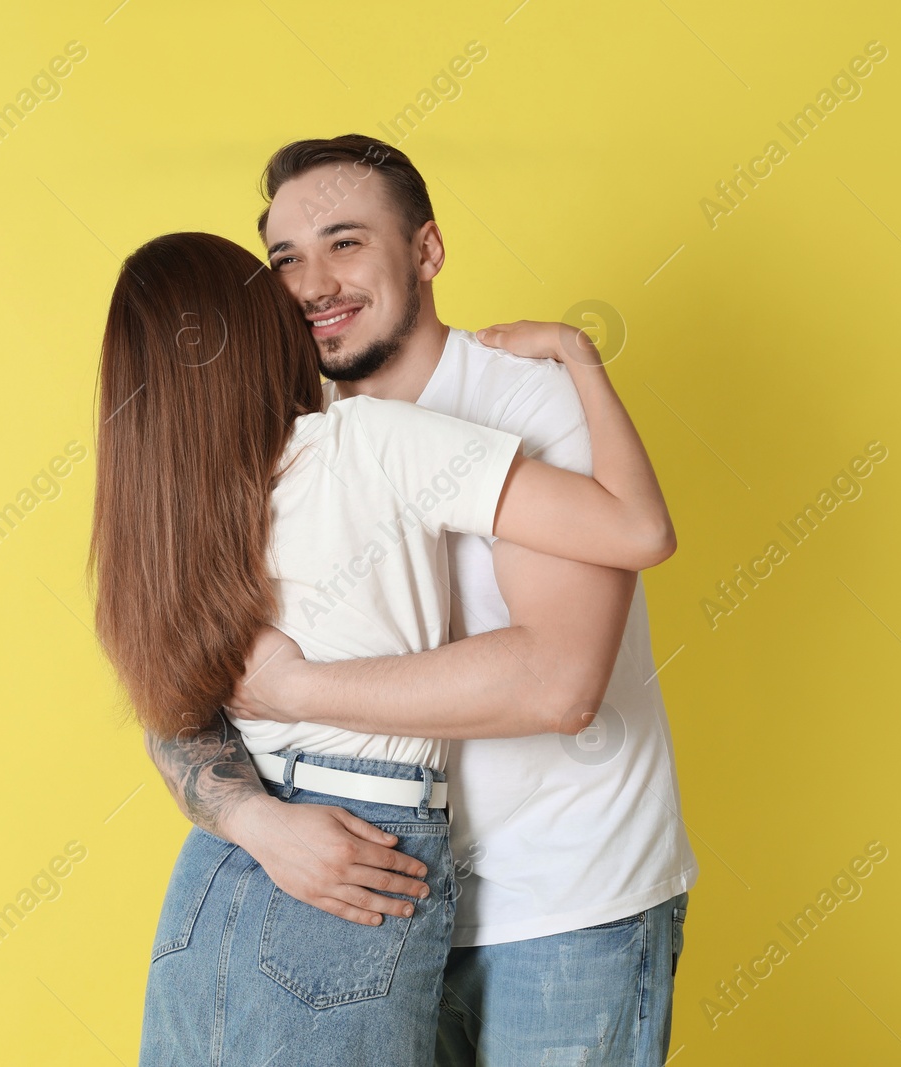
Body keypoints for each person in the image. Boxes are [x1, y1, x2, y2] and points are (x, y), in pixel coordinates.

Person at [154, 134, 700, 1065]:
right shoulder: (293, 439)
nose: (314, 282)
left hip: (560, 907)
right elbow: (184, 690)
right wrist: (259, 823)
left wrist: (300, 691)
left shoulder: (526, 404)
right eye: (285, 259)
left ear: (427, 251)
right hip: (373, 902)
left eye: (346, 242)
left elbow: (560, 685)